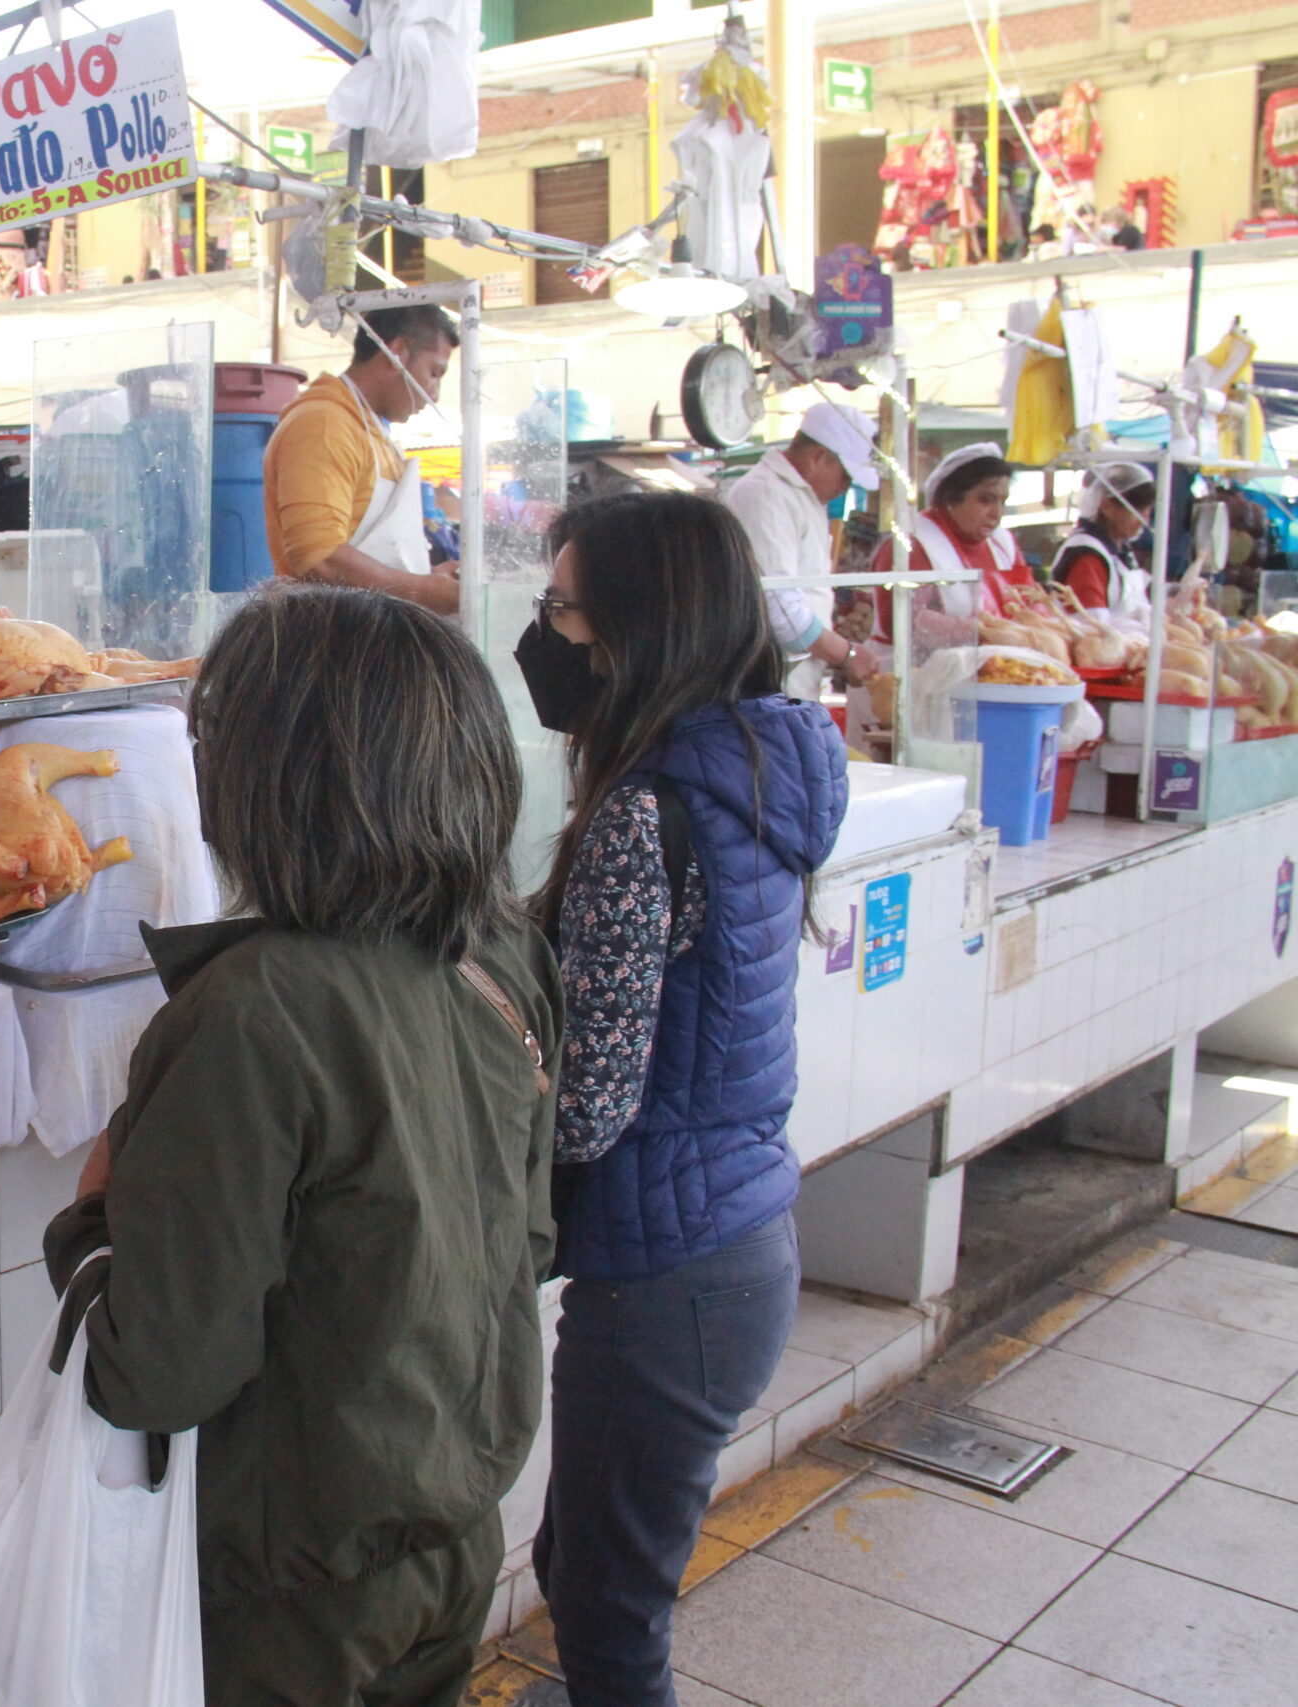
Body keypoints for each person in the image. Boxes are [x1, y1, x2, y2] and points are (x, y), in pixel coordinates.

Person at [44, 583, 561, 1706]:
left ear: (264, 785)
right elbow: (527, 1234)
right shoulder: (501, 953)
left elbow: (155, 1369)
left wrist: (91, 1213)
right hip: (457, 1530)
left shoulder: (253, 1008)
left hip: (287, 1591)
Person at [515, 491, 847, 1707]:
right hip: (738, 1234)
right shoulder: (756, 770)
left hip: (666, 1277)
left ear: (630, 631)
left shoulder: (642, 818)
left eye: (560, 610)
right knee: (591, 1566)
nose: (544, 638)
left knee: (609, 1620)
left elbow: (591, 1108)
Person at [262, 303, 463, 614]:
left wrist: (427, 577)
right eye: (433, 372)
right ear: (397, 353)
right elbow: (319, 558)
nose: (433, 393)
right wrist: (421, 590)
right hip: (327, 638)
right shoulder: (324, 423)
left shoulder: (374, 433)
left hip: (369, 633)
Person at [721, 401, 883, 698]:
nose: (845, 487)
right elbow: (777, 605)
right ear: (819, 457)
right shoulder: (764, 495)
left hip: (794, 681)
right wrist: (845, 654)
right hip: (768, 684)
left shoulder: (803, 498)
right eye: (845, 476)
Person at [869, 443, 1031, 647]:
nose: (996, 514)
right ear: (951, 498)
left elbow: (1030, 600)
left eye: (1003, 501)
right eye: (985, 500)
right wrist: (980, 631)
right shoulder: (911, 544)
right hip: (917, 674)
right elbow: (902, 622)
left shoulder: (1003, 543)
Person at [1051, 462, 1157, 616]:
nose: (1145, 519)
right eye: (1138, 510)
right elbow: (1091, 625)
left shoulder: (1120, 549)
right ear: (1107, 506)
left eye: (1148, 510)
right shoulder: (1087, 556)